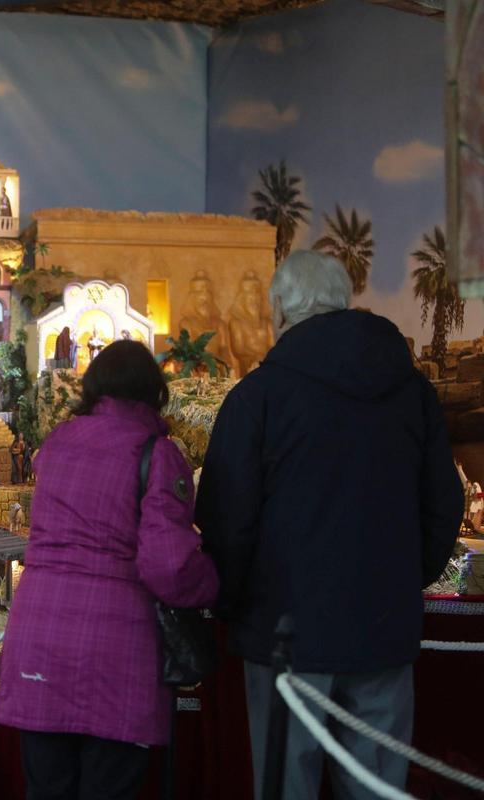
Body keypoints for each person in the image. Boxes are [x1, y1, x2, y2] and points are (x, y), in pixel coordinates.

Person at [195, 251, 462, 800]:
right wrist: (402, 580)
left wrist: (234, 605)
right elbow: (444, 505)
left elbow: (226, 523)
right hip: (383, 633)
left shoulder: (257, 399)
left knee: (285, 788)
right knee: (377, 790)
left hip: (283, 641)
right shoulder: (412, 393)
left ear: (279, 311)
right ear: (344, 303)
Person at [0, 339, 218, 800]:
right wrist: (218, 581)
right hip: (116, 654)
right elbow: (170, 568)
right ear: (153, 392)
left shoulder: (56, 445)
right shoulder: (156, 454)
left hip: (38, 641)